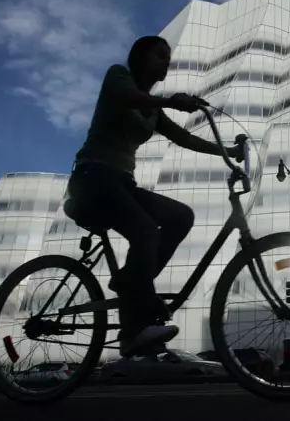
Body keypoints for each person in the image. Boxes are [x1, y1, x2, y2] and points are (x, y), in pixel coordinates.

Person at [64, 36, 243, 357]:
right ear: (140, 56)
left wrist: (227, 151)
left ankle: (134, 282)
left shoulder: (152, 111)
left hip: (122, 184)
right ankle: (133, 330)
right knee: (145, 230)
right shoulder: (119, 75)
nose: (166, 61)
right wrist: (171, 102)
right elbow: (128, 97)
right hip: (93, 179)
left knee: (180, 216)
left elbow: (185, 138)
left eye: (168, 56)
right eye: (160, 54)